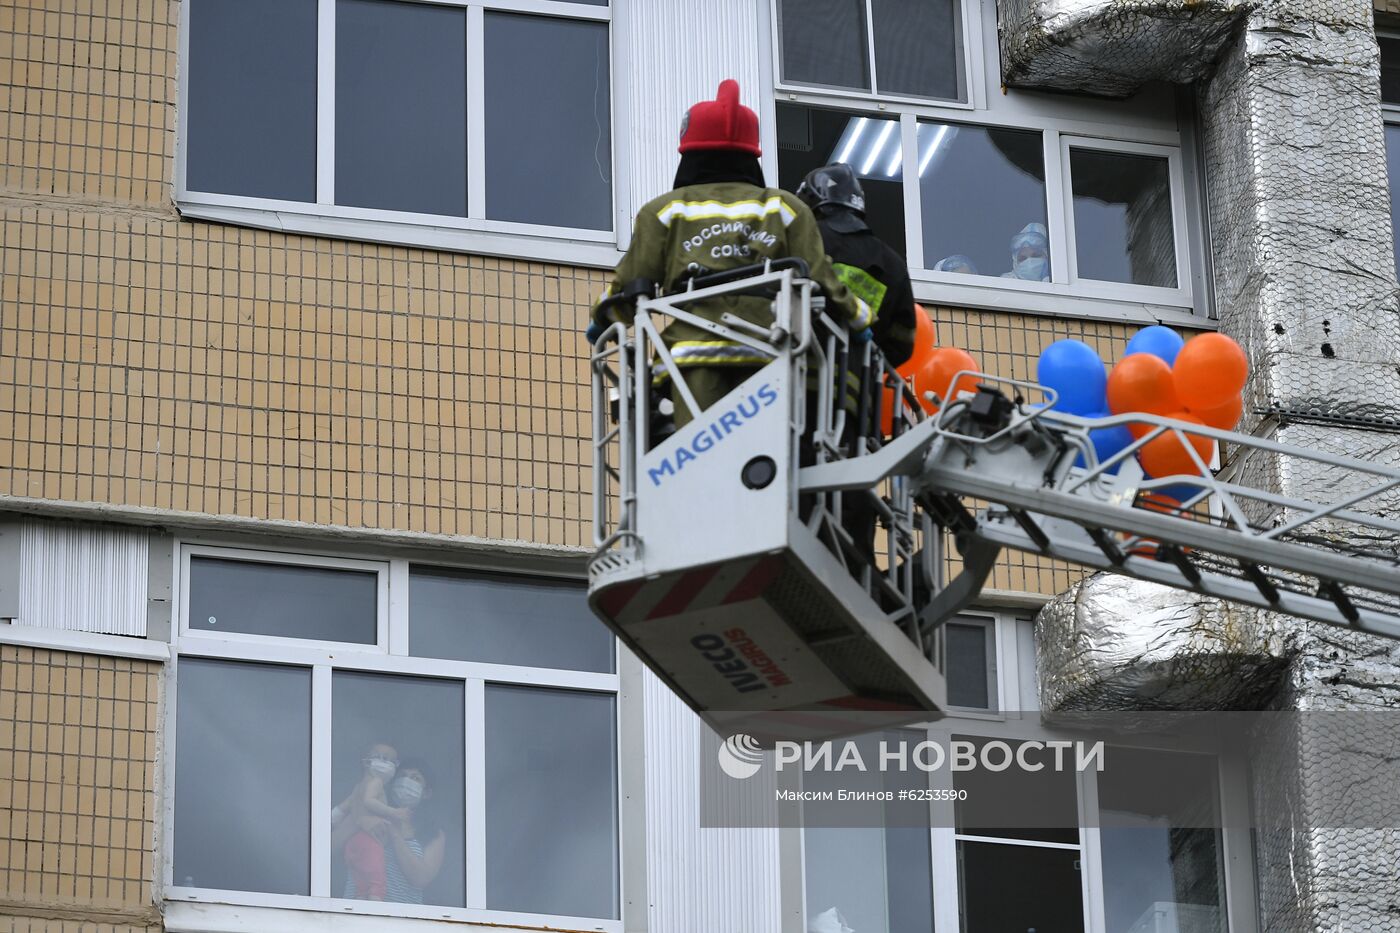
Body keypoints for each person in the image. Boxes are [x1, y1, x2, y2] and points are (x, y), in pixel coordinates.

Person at [587, 79, 872, 429]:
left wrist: (603, 317)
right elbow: (821, 278)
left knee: (696, 457)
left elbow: (630, 285)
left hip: (690, 361)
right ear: (751, 155)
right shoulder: (786, 208)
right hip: (771, 357)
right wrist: (860, 319)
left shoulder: (664, 212)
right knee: (763, 460)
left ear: (690, 153)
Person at [796, 162, 917, 370]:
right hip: (853, 390)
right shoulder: (894, 265)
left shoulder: (808, 239)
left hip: (799, 372)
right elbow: (902, 344)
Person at [333, 757, 448, 905]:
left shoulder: (433, 833)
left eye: (415, 778)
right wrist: (360, 820)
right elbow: (326, 849)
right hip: (355, 912)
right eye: (402, 776)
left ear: (426, 793)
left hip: (401, 920)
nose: (407, 782)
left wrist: (394, 833)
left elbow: (420, 878)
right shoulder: (366, 813)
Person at [332, 741, 407, 901]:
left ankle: (361, 902)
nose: (384, 762)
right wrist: (393, 812)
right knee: (376, 881)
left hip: (352, 844)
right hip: (369, 841)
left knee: (361, 884)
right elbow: (369, 801)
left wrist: (329, 820)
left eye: (389, 760)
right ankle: (375, 908)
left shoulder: (358, 786)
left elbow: (342, 808)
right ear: (366, 762)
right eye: (380, 758)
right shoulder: (376, 782)